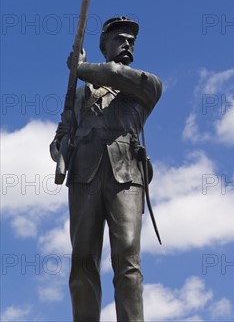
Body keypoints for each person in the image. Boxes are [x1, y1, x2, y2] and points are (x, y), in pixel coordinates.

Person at [51, 16, 162, 322]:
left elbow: (114, 74)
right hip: (84, 174)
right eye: (120, 38)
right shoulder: (80, 92)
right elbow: (61, 136)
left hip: (126, 175)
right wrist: (60, 146)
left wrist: (80, 68)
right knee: (83, 261)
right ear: (104, 45)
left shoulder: (146, 84)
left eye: (131, 40)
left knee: (127, 260)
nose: (128, 43)